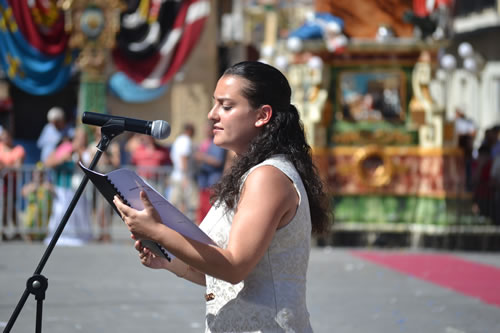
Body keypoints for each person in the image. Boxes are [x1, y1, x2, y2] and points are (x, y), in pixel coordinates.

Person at [114, 61, 330, 332]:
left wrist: (158, 232)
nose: (211, 114)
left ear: (262, 115)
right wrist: (171, 262)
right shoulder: (251, 172)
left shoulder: (268, 176)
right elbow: (225, 277)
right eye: (214, 104)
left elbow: (234, 267)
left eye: (226, 106)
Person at [44, 127, 93, 246]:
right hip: (62, 187)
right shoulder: (64, 148)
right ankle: (59, 235)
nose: (81, 140)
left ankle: (78, 235)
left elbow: (90, 167)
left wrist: (79, 158)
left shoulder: (87, 151)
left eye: (83, 138)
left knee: (78, 212)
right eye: (78, 137)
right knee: (60, 211)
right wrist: (62, 159)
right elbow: (48, 162)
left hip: (78, 188)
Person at [86, 126, 121, 242]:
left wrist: (107, 155)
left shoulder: (113, 146)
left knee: (107, 208)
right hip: (97, 179)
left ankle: (106, 232)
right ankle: (101, 232)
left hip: (109, 178)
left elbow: (117, 162)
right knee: (98, 208)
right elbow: (91, 163)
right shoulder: (92, 146)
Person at [194, 120, 227, 224]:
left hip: (213, 182)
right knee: (202, 211)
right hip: (203, 182)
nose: (204, 131)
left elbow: (218, 161)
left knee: (210, 211)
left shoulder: (218, 143)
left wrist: (202, 157)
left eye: (207, 128)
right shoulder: (205, 142)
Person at [168, 123, 198, 221]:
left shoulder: (178, 140)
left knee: (178, 203)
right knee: (190, 204)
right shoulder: (186, 140)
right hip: (184, 177)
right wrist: (185, 176)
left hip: (177, 175)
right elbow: (183, 157)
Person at [0, 129, 25, 241]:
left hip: (11, 183)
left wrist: (5, 167)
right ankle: (6, 230)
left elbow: (17, 166)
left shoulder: (18, 149)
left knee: (9, 206)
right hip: (3, 182)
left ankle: (13, 230)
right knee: (5, 206)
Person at [21, 162, 55, 241]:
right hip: (32, 215)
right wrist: (33, 188)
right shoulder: (31, 185)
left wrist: (50, 189)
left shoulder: (47, 185)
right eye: (38, 173)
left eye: (41, 173)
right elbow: (23, 193)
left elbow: (55, 194)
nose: (39, 175)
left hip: (44, 215)